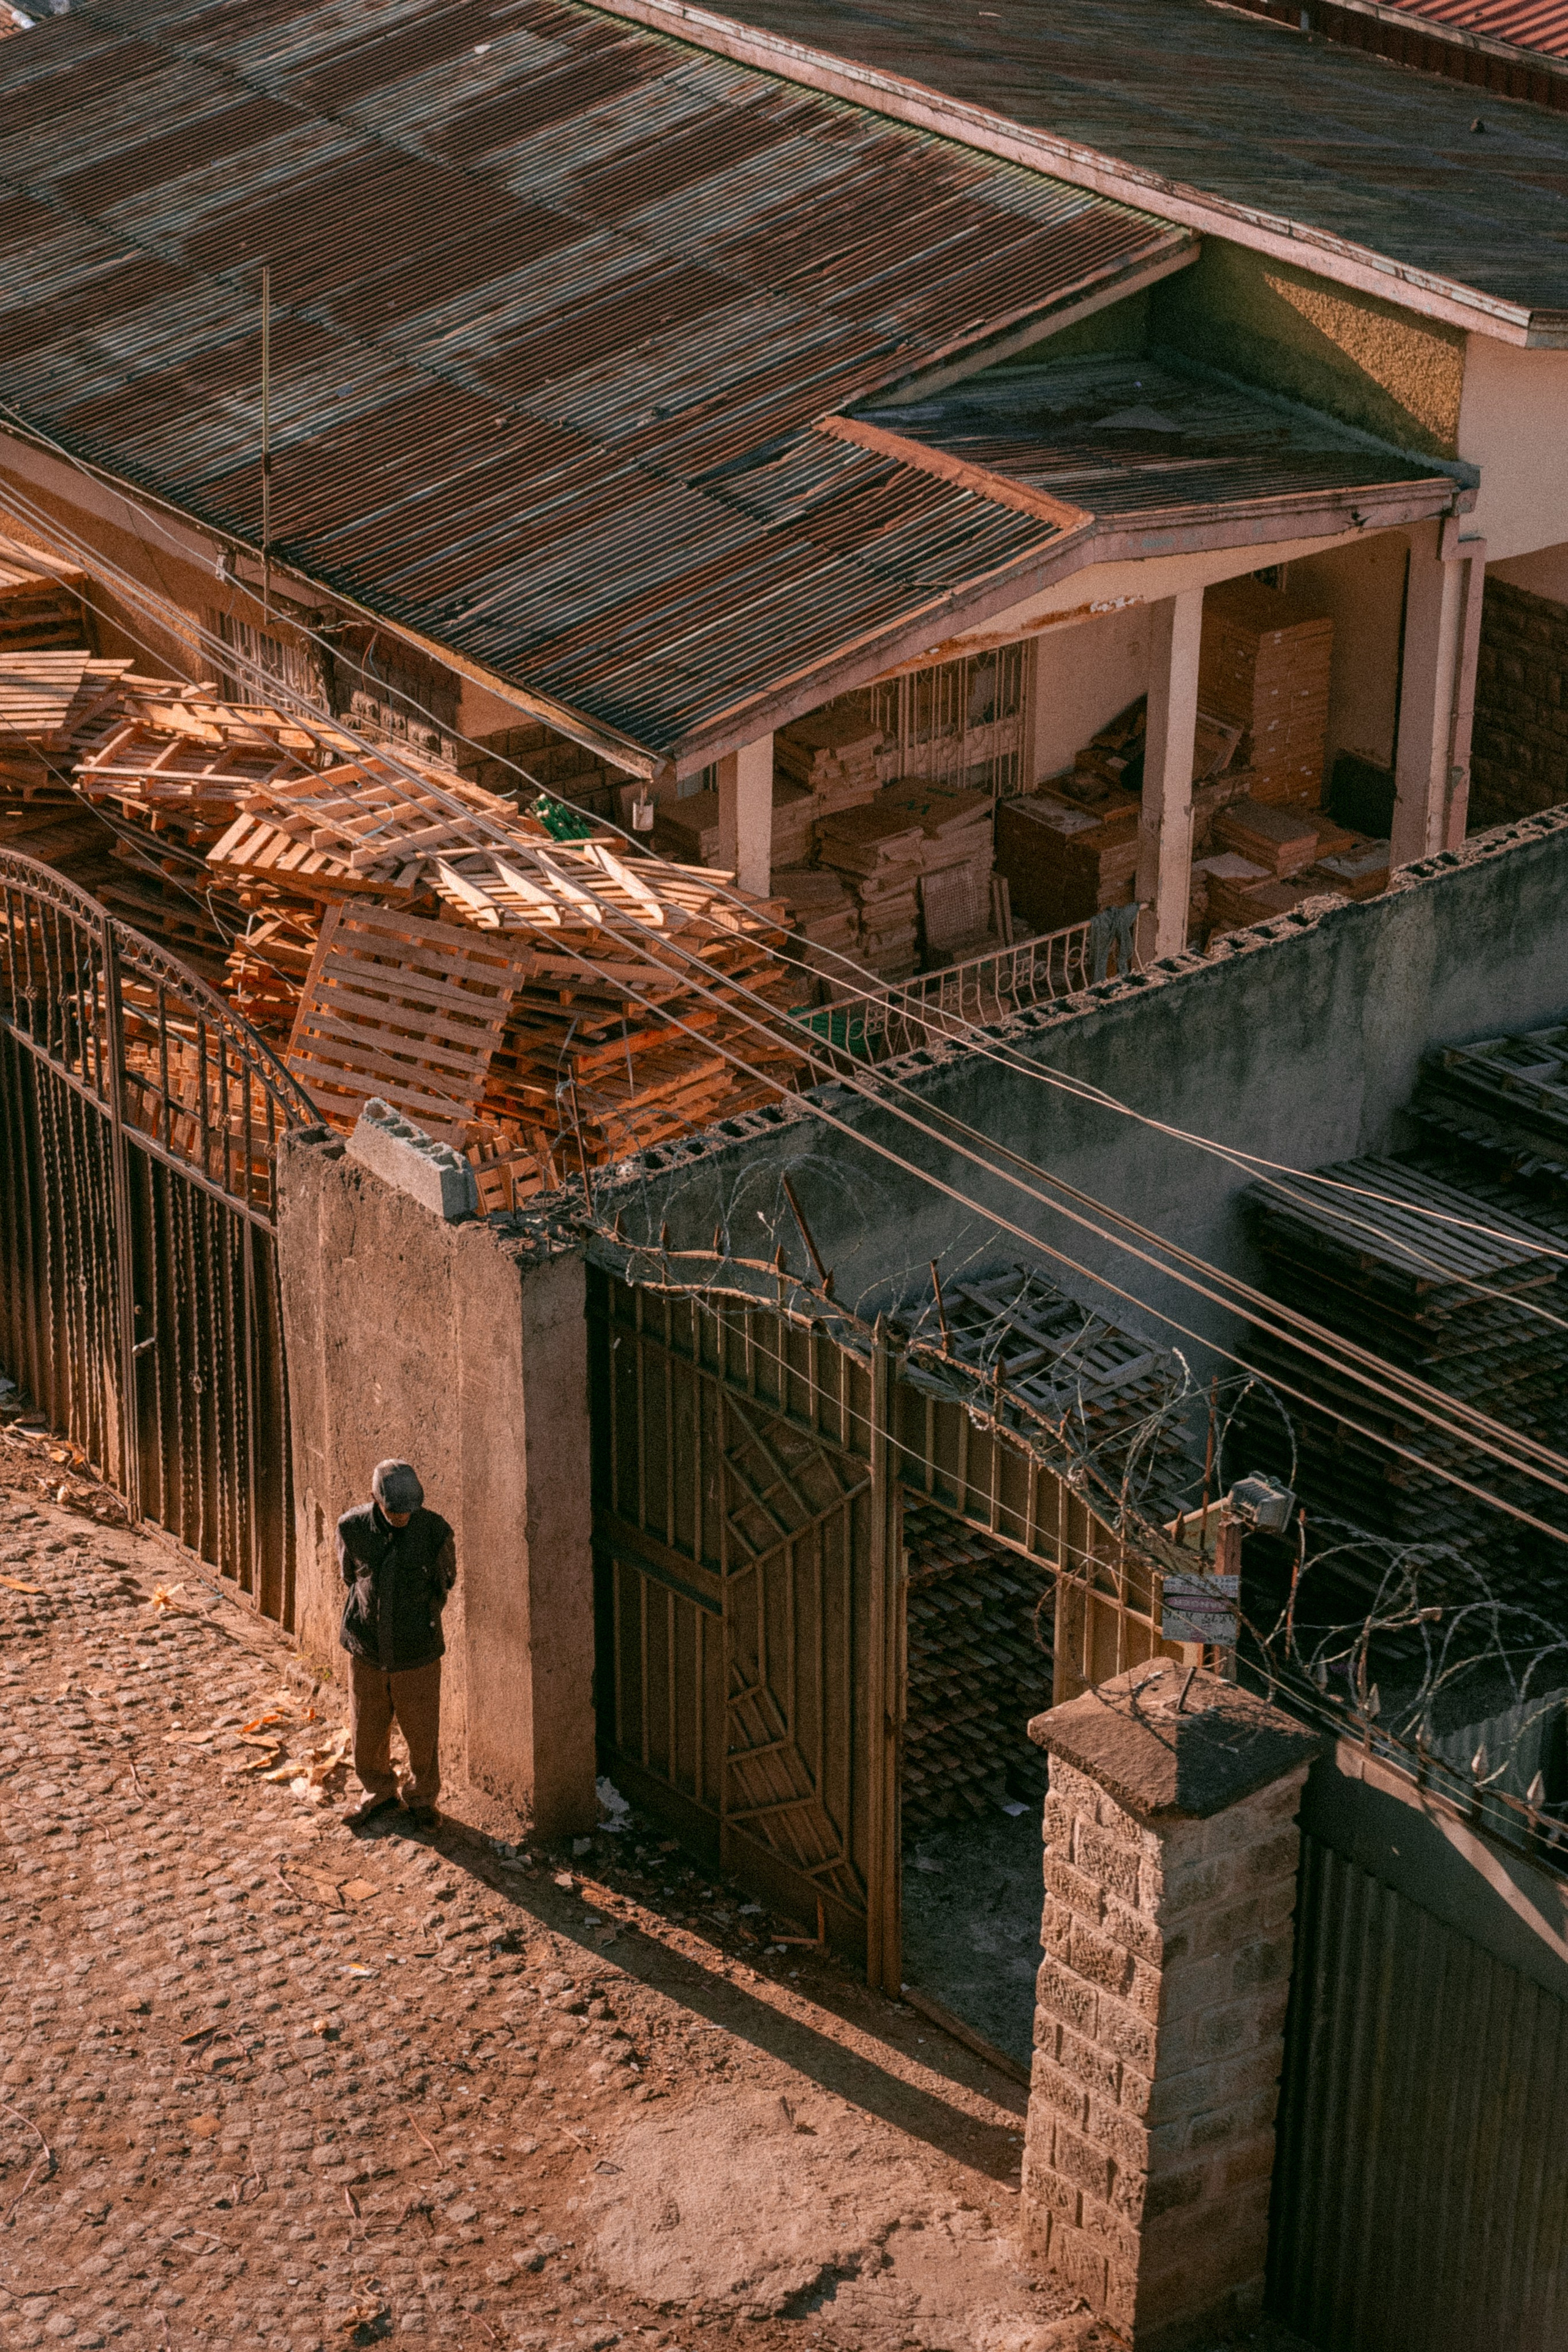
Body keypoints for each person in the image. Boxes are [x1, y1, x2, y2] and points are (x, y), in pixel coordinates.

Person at [337, 1459, 456, 1828]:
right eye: (394, 1510)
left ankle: (422, 1799)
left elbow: (444, 1582)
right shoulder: (352, 1527)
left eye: (409, 1511)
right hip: (366, 1648)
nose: (402, 1517)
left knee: (422, 1731)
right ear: (375, 1499)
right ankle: (378, 1793)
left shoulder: (436, 1532)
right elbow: (349, 1576)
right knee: (368, 1726)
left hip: (416, 1651)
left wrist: (416, 1618)